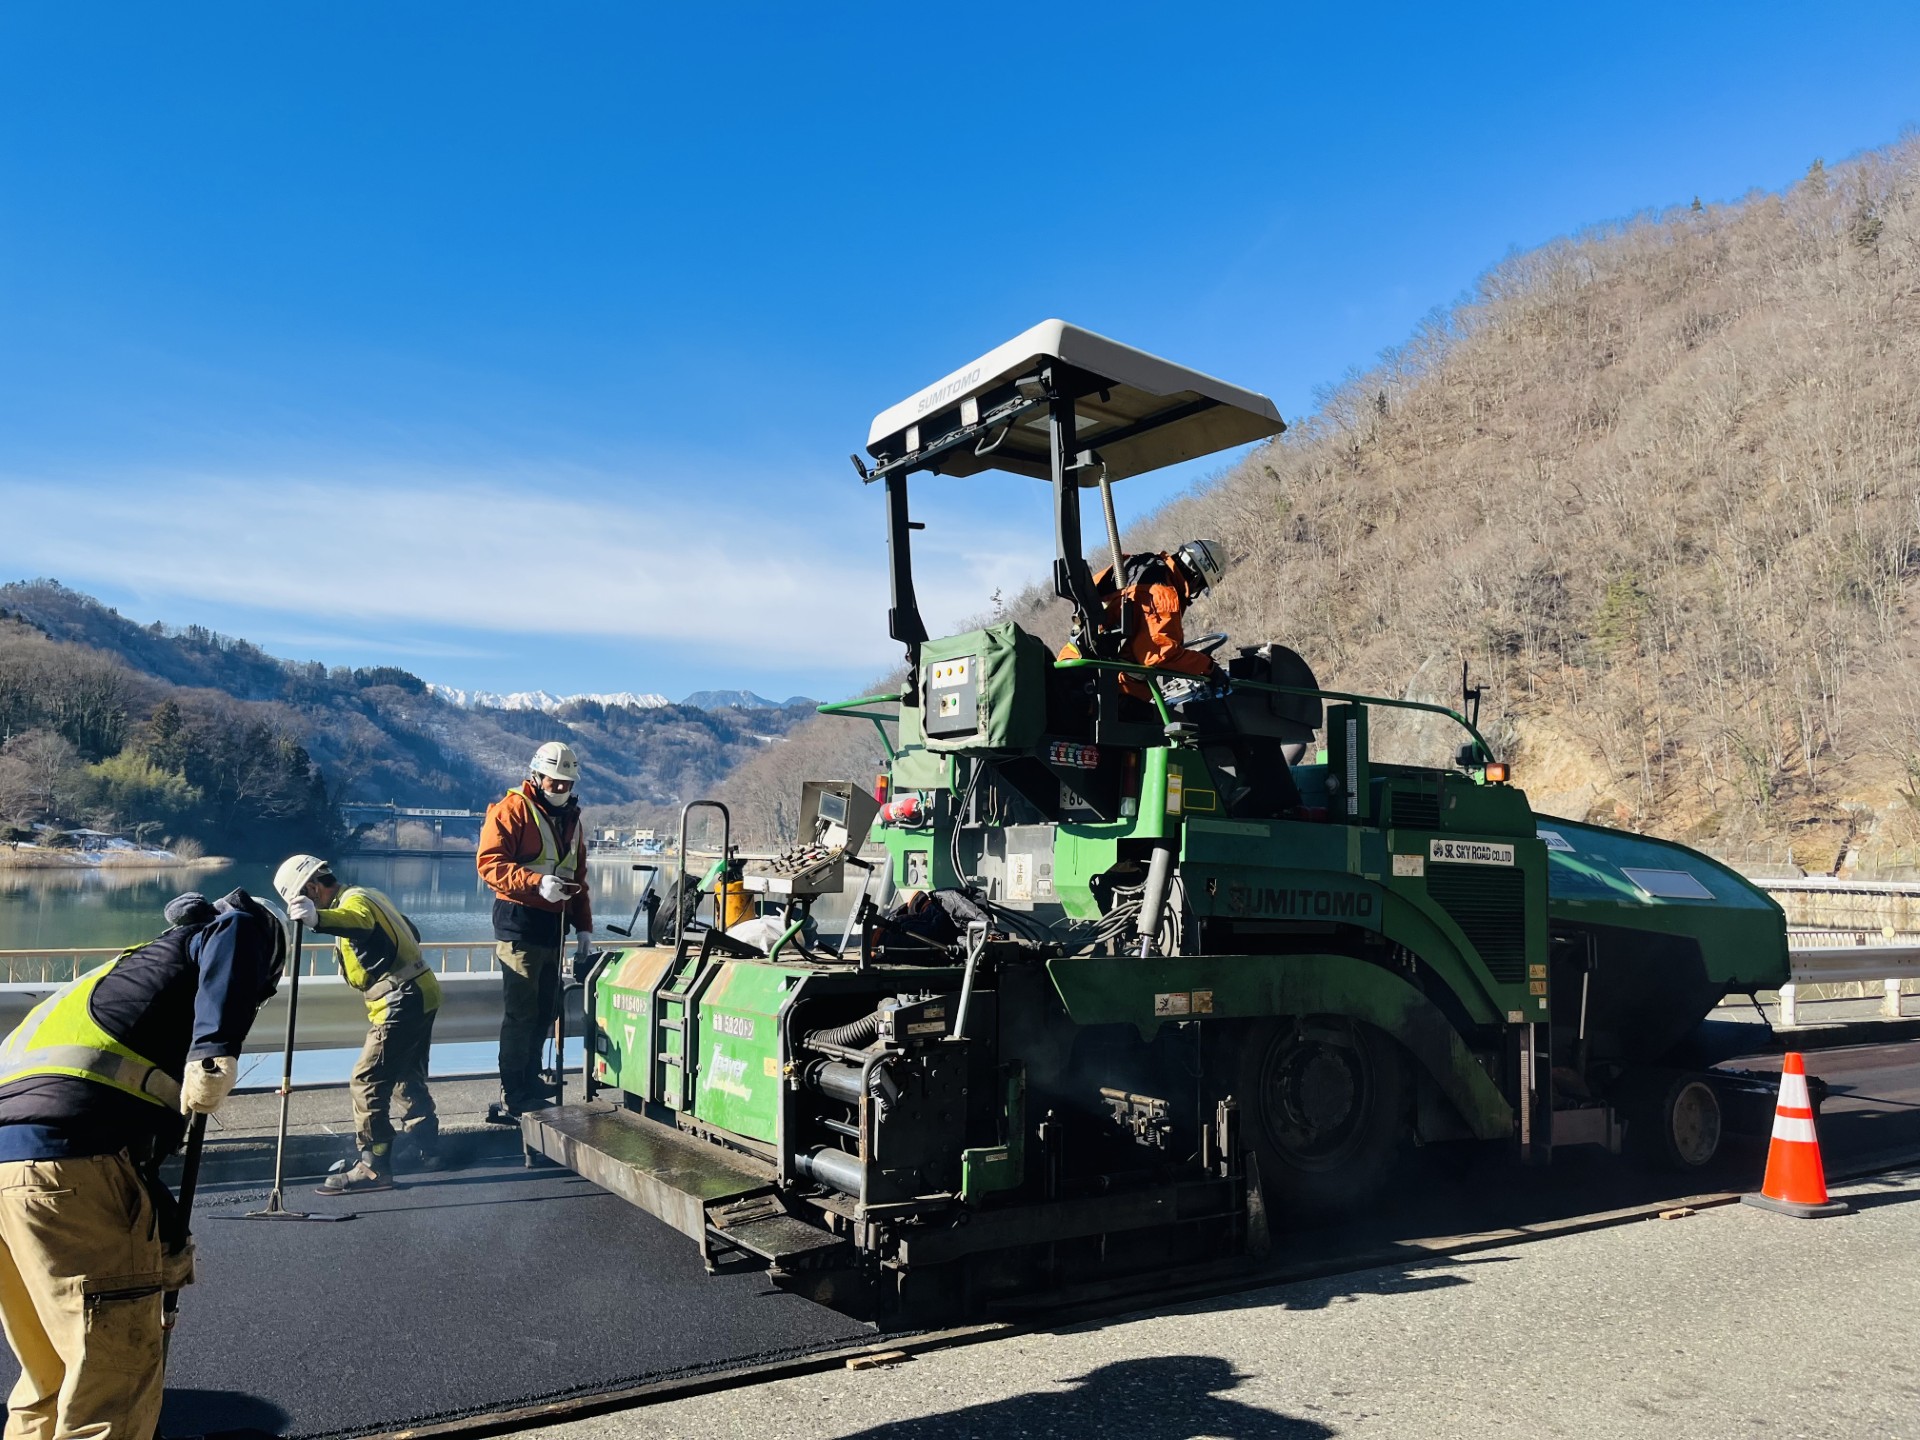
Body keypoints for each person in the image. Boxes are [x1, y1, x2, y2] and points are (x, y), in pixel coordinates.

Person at [0, 889, 285, 1439]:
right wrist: (215, 1046)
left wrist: (162, 1241)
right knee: (110, 1386)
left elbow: (122, 1156)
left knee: (51, 1379)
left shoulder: (117, 980)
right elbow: (239, 929)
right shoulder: (227, 932)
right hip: (67, 1168)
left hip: (17, 1176)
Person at [276, 854, 442, 1192]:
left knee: (366, 1080)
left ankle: (374, 1165)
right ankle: (428, 1148)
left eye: (302, 898)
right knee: (405, 1074)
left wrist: (318, 920)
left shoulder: (354, 905)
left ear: (312, 887)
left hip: (400, 999)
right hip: (421, 990)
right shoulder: (371, 893)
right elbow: (411, 930)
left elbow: (358, 923)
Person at [476, 741, 593, 1125]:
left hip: (553, 928)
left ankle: (529, 1080)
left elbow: (578, 878)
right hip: (519, 921)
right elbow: (489, 864)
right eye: (554, 781)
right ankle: (515, 1091)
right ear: (536, 776)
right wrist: (534, 882)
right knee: (522, 1013)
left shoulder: (573, 821)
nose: (560, 788)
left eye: (566, 783)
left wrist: (584, 929)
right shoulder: (511, 810)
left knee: (546, 1010)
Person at [1058, 538, 1228, 700]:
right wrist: (1209, 668)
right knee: (1188, 723)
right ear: (1197, 577)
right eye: (1201, 586)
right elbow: (1159, 655)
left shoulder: (1134, 564)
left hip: (1075, 667)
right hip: (1113, 690)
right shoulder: (1163, 594)